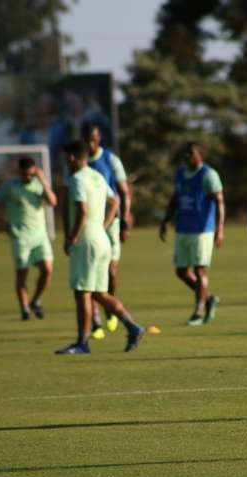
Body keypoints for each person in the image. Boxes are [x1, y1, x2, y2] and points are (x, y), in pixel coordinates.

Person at [56, 140, 145, 355]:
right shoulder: (96, 176)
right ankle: (133, 327)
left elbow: (82, 211)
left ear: (71, 157)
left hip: (86, 241)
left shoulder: (76, 179)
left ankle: (82, 342)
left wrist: (72, 238)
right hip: (101, 239)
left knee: (82, 292)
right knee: (98, 293)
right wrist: (103, 226)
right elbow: (115, 201)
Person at [159, 142, 225, 326]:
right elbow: (175, 198)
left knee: (200, 269)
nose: (187, 156)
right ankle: (209, 298)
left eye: (190, 153)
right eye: (185, 153)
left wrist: (220, 229)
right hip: (183, 229)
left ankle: (198, 312)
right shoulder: (180, 173)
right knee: (181, 271)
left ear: (200, 156)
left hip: (202, 231)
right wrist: (165, 221)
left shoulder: (208, 175)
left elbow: (219, 202)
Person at [81, 122, 132, 339]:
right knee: (89, 274)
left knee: (111, 271)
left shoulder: (110, 159)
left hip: (111, 222)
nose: (91, 143)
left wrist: (126, 218)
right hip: (89, 224)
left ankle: (111, 306)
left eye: (94, 138)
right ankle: (95, 321)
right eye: (88, 139)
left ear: (99, 138)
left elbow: (123, 191)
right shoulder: (79, 164)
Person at [0, 157, 57, 320]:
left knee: (47, 270)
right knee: (22, 274)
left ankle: (36, 300)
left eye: (31, 174)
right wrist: (2, 223)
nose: (28, 177)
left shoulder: (39, 184)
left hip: (40, 236)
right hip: (20, 237)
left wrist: (43, 179)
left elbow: (53, 202)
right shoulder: (10, 187)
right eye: (25, 174)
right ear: (19, 172)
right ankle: (25, 308)